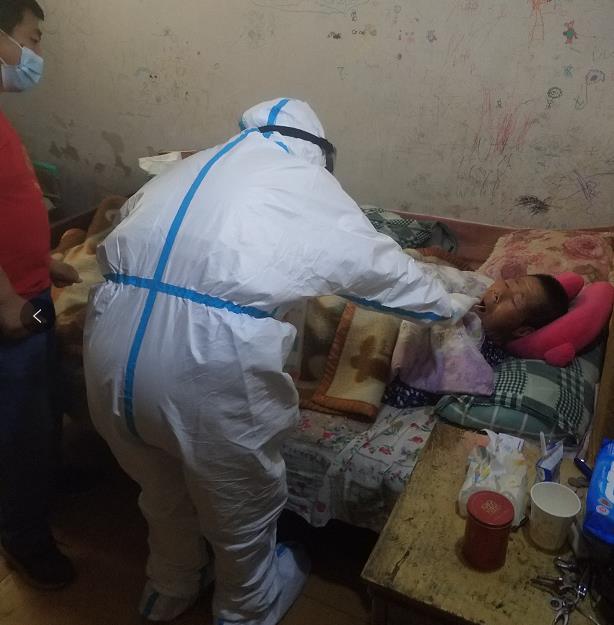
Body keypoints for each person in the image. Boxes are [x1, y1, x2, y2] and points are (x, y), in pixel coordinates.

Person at [83, 98, 472, 625]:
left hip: (108, 350)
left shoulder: (185, 169)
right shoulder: (304, 183)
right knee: (238, 509)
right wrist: (453, 302)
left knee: (159, 489)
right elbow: (383, 271)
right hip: (204, 364)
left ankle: (170, 585)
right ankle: (245, 610)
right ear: (318, 151)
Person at [0, 0, 80, 589]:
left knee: (45, 402)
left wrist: (43, 261)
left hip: (30, 286)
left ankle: (50, 481)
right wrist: (5, 299)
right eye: (30, 39)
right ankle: (24, 536)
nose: (36, 54)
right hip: (10, 302)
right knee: (19, 426)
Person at [476, 274, 569, 344]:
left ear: (522, 331)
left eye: (515, 301)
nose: (499, 293)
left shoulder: (485, 353)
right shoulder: (478, 283)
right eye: (507, 284)